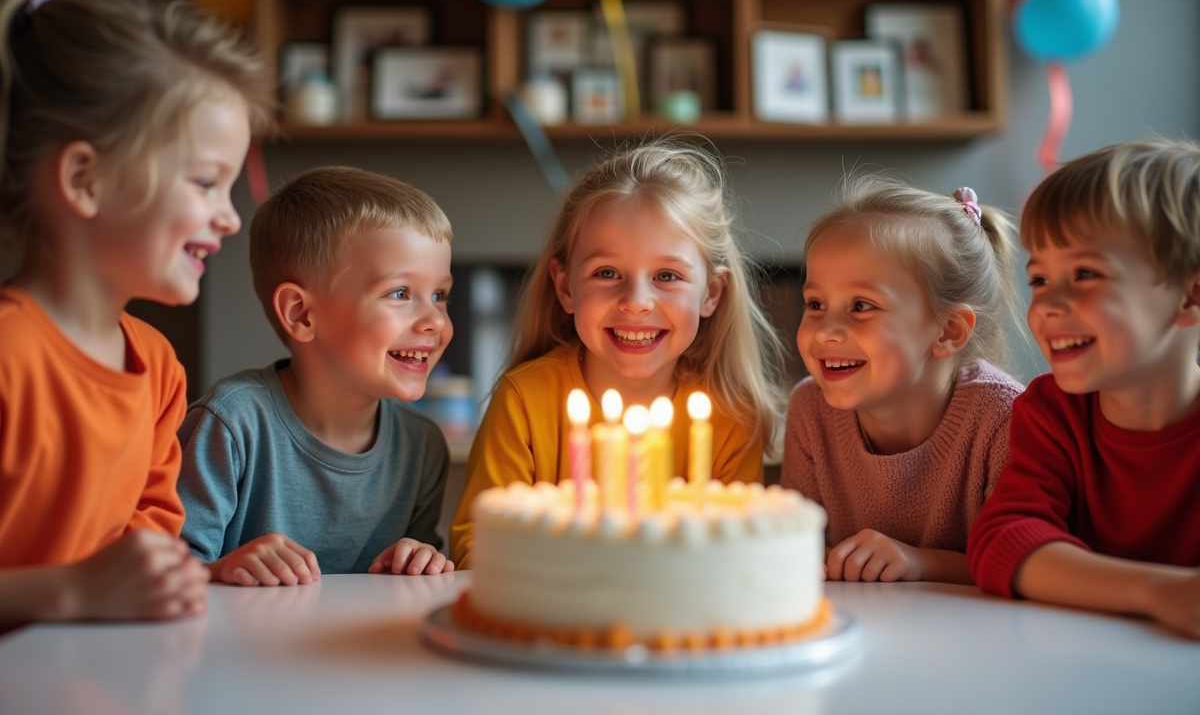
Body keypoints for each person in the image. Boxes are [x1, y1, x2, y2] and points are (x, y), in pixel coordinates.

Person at [0, 0, 273, 628]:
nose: (231, 217)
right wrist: (68, 594)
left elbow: (144, 549)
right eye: (206, 181)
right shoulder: (11, 359)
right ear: (84, 180)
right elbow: (90, 586)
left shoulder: (157, 368)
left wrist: (193, 571)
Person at [449, 139, 786, 568]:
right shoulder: (525, 399)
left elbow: (735, 554)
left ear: (712, 293)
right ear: (566, 286)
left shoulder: (728, 418)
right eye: (606, 273)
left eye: (667, 275)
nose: (636, 301)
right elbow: (476, 543)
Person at [177, 167, 455, 584]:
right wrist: (217, 571)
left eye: (440, 295)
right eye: (400, 293)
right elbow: (163, 573)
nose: (434, 320)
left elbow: (412, 587)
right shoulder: (230, 425)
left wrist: (422, 559)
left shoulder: (422, 447)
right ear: (301, 314)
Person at [968, 141, 1200, 638]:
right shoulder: (1051, 413)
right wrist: (1161, 593)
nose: (1049, 304)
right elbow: (1002, 540)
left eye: (1086, 274)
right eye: (1040, 280)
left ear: (1189, 295)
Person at [784, 174, 1024, 584]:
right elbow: (794, 541)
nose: (825, 331)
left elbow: (1025, 561)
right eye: (815, 303)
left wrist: (923, 563)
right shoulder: (810, 409)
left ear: (948, 331)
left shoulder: (1006, 419)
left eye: (861, 305)